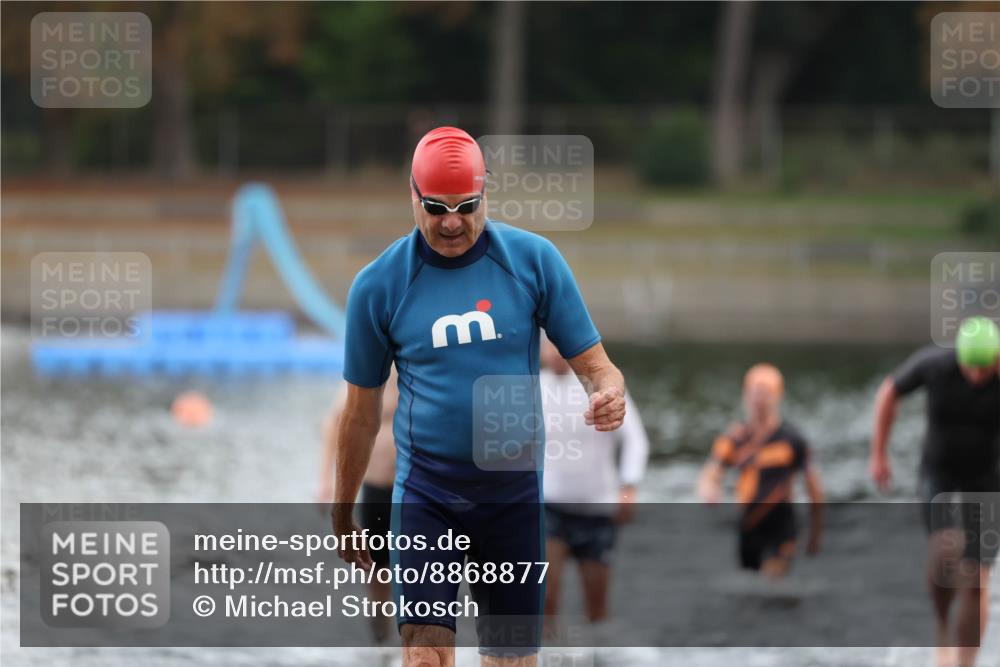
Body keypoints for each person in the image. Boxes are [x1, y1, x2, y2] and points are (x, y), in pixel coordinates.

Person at [331, 126, 626, 667]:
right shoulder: (379, 285)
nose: (451, 222)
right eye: (437, 207)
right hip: (427, 494)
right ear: (412, 195)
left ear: (486, 193)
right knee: (425, 659)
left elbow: (599, 368)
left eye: (467, 206)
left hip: (511, 496)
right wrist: (342, 507)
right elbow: (360, 416)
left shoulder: (533, 261)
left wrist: (610, 392)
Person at [869, 316, 1000, 667]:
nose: (976, 377)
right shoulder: (935, 364)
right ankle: (942, 627)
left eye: (984, 370)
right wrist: (879, 454)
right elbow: (889, 392)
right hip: (938, 473)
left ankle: (965, 663)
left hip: (986, 479)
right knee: (944, 553)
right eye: (970, 368)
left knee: (975, 579)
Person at [538, 336, 649, 626]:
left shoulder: (600, 387)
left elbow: (635, 440)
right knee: (545, 596)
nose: (556, 353)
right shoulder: (532, 388)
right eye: (549, 346)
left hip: (598, 509)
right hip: (549, 507)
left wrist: (629, 486)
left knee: (597, 608)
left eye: (561, 345)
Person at [697, 363, 824, 577]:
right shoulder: (735, 438)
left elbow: (814, 489)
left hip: (782, 525)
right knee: (750, 592)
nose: (759, 400)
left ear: (778, 396)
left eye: (766, 394)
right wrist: (709, 488)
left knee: (773, 581)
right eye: (754, 393)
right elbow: (712, 470)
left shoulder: (793, 440)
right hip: (748, 526)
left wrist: (815, 534)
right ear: (745, 396)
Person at [317, 368, 398, 643]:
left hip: (415, 490)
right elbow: (335, 421)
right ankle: (380, 642)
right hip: (377, 487)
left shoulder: (424, 367)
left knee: (423, 568)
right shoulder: (373, 370)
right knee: (376, 569)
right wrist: (325, 481)